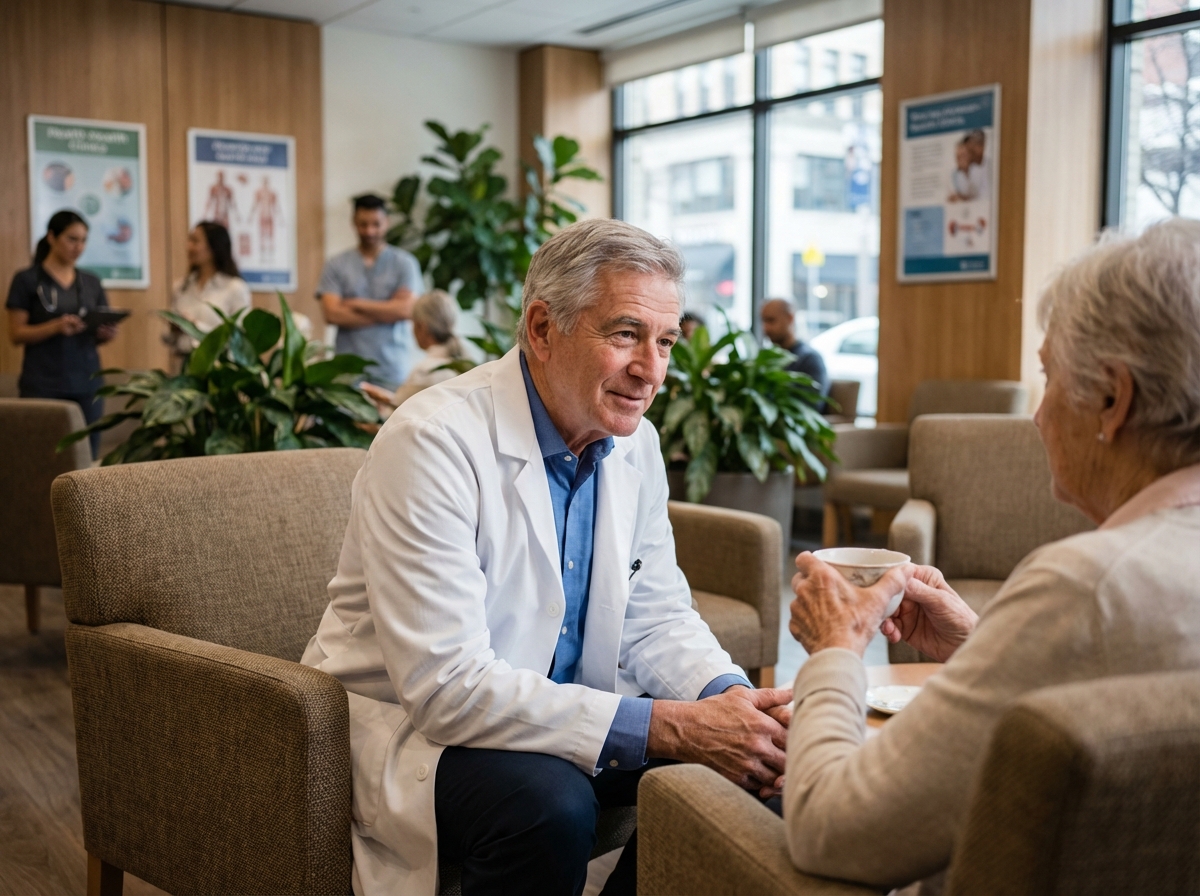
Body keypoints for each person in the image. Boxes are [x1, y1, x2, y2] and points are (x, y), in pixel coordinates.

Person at [302, 219, 794, 896]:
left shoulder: (634, 442)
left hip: (557, 708)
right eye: (625, 334)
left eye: (666, 342)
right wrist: (677, 726)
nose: (651, 370)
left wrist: (734, 704)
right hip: (416, 730)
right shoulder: (431, 441)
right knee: (550, 805)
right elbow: (449, 690)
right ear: (542, 329)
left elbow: (655, 615)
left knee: (762, 769)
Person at [782, 217, 1200, 891]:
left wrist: (835, 648)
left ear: (1113, 398)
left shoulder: (1085, 588)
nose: (1038, 414)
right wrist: (986, 647)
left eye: (1049, 377)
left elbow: (830, 828)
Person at [6, 210, 119, 458]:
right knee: (39, 458)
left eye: (83, 240)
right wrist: (55, 327)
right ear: (51, 237)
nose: (78, 247)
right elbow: (16, 334)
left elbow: (97, 332)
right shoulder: (26, 280)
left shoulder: (91, 282)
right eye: (72, 239)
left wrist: (105, 333)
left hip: (87, 382)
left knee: (86, 457)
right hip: (43, 383)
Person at [317, 194, 422, 389]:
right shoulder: (336, 264)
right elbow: (332, 314)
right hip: (347, 370)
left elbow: (406, 310)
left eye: (376, 224)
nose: (369, 231)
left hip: (392, 369)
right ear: (353, 223)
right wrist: (388, 311)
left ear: (387, 222)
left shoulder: (405, 263)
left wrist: (355, 303)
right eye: (363, 224)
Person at [361, 289, 466, 417]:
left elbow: (400, 417)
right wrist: (388, 398)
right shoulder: (464, 366)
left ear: (422, 327)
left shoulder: (425, 370)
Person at [164, 221, 251, 363]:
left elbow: (239, 339)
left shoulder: (235, 288)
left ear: (213, 247)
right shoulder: (180, 287)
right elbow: (169, 340)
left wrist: (194, 326)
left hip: (219, 370)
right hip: (184, 370)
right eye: (189, 240)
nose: (189, 247)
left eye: (195, 241)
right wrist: (174, 329)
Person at [759, 297, 830, 409]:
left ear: (790, 318)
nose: (765, 328)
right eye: (763, 321)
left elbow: (812, 407)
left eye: (771, 320)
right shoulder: (766, 359)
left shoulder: (809, 359)